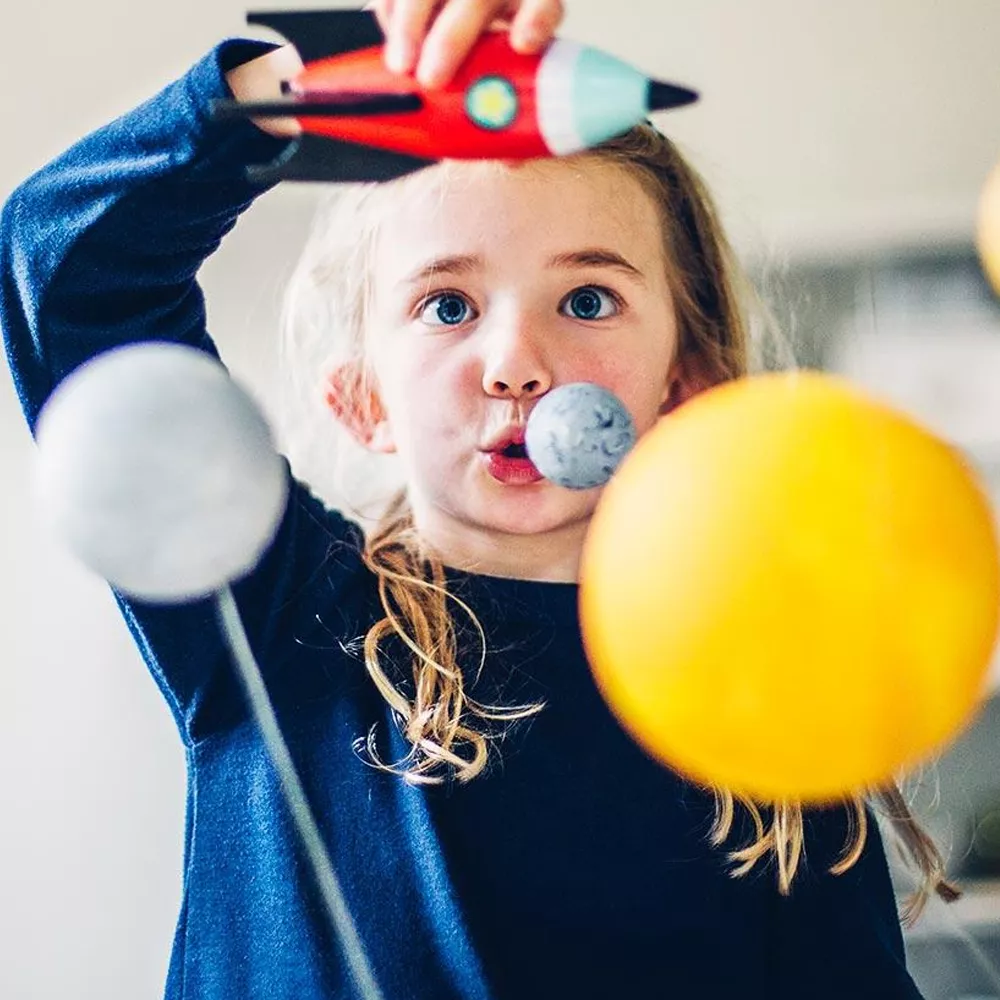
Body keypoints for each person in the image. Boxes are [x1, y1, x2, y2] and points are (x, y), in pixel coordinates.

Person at [0, 1, 958, 997]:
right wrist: (305, 84)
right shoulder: (283, 614)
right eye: (446, 305)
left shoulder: (775, 709)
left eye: (586, 300)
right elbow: (67, 270)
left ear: (685, 384)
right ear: (364, 398)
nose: (514, 363)